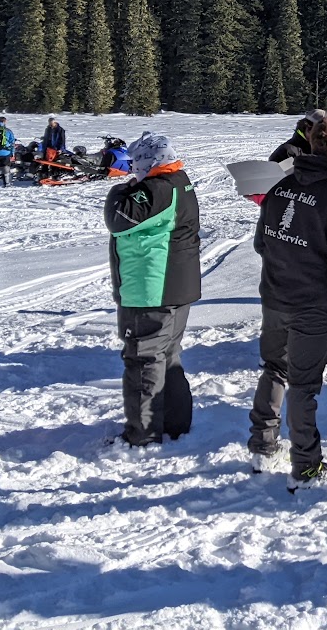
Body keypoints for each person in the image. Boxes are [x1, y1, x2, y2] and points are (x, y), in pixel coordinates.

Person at [249, 114, 327, 490]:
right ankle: (306, 467)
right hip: (311, 305)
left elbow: (262, 242)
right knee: (303, 384)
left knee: (275, 369)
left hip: (276, 297)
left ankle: (263, 446)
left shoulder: (281, 186)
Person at [104, 133, 202, 446]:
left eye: (136, 163)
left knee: (143, 359)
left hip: (152, 289)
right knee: (167, 356)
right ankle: (175, 424)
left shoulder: (158, 189)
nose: (132, 170)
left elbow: (117, 218)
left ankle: (143, 434)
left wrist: (119, 190)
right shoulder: (178, 181)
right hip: (173, 288)